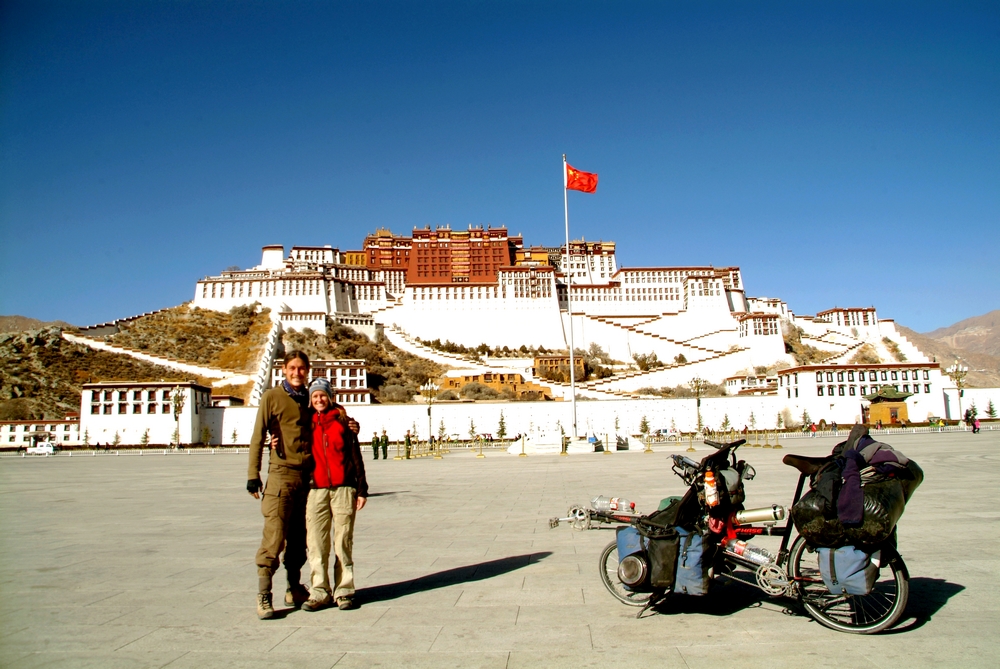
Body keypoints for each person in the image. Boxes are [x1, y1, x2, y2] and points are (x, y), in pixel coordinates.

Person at [247, 351, 314, 620]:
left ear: (307, 371)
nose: (297, 373)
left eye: (301, 368)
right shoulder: (272, 397)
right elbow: (257, 436)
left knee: (299, 539)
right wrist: (254, 474)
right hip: (280, 476)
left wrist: (351, 425)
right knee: (274, 536)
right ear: (284, 370)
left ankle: (294, 587)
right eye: (292, 368)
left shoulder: (312, 397)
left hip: (307, 478)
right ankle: (264, 595)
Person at [301, 378, 368, 612]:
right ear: (310, 400)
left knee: (343, 541)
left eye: (323, 395)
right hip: (315, 489)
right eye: (315, 396)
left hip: (343, 488)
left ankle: (344, 590)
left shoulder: (343, 423)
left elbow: (355, 456)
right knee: (316, 542)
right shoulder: (304, 423)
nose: (319, 400)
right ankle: (319, 590)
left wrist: (361, 489)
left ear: (330, 397)